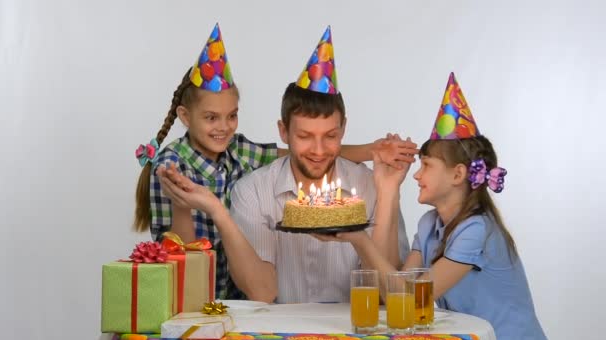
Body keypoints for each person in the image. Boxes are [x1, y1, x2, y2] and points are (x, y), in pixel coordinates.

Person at [133, 24, 416, 300]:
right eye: (305, 136)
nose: (318, 150)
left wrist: (374, 155)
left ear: (343, 130)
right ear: (284, 132)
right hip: (205, 299)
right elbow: (178, 257)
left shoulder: (241, 151)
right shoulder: (224, 181)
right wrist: (203, 209)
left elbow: (392, 298)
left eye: (330, 135)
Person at [326, 73, 547, 340]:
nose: (417, 176)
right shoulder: (430, 224)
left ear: (457, 175)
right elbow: (392, 292)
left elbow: (410, 298)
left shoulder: (477, 229)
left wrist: (360, 239)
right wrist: (388, 188)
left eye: (427, 165)